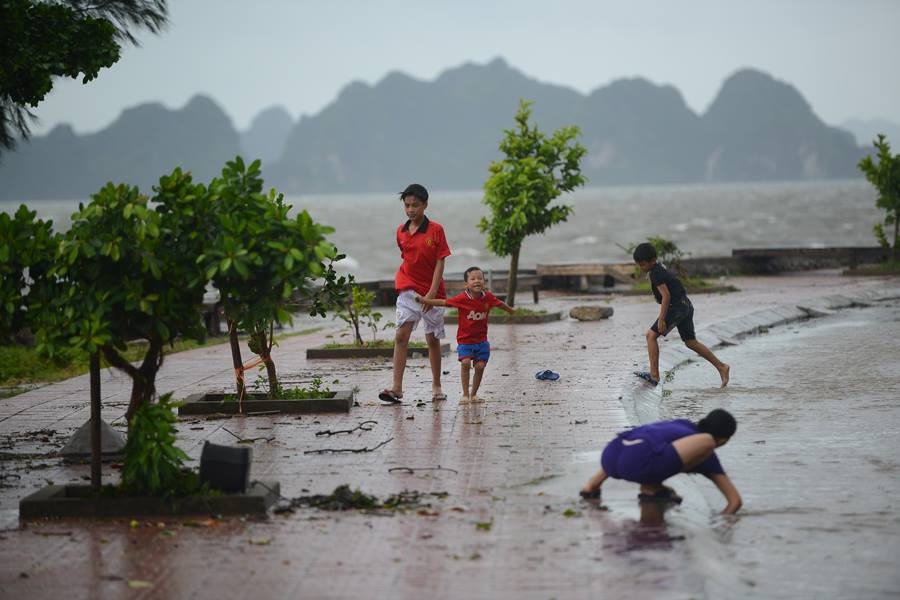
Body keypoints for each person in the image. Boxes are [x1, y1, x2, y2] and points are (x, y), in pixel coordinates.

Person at [579, 408, 742, 515]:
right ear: (724, 440)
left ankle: (592, 485)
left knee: (645, 447)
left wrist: (593, 486)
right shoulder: (707, 449)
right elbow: (735, 502)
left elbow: (645, 443)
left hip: (611, 454)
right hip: (637, 464)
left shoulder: (681, 424)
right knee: (705, 442)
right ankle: (651, 488)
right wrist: (721, 526)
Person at [379, 184, 452, 404]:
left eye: (415, 205)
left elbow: (440, 262)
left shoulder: (436, 230)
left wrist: (430, 293)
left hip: (432, 292)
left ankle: (437, 385)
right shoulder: (400, 231)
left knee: (432, 340)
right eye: (407, 205)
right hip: (407, 287)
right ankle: (397, 388)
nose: (411, 210)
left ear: (425, 205)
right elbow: (406, 258)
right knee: (401, 336)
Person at [632, 242, 730, 388]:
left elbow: (666, 296)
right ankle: (722, 366)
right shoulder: (659, 268)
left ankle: (654, 376)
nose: (641, 267)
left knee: (650, 336)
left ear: (652, 261)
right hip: (686, 305)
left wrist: (662, 319)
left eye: (643, 264)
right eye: (639, 264)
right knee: (691, 342)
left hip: (676, 307)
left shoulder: (656, 273)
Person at [416, 266, 514, 402]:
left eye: (480, 278)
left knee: (480, 367)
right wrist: (424, 300)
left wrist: (512, 311)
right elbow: (443, 302)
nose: (477, 281)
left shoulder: (488, 297)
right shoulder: (462, 298)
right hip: (465, 342)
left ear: (484, 282)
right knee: (466, 363)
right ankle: (465, 395)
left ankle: (473, 395)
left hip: (482, 342)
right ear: (466, 284)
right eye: (473, 279)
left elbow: (500, 304)